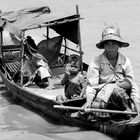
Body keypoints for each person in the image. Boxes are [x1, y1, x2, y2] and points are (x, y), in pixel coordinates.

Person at [84, 26, 140, 113]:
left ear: (119, 45)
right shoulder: (96, 62)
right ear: (103, 46)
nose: (111, 47)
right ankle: (125, 109)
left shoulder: (126, 61)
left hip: (124, 95)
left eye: (114, 43)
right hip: (103, 97)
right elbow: (92, 86)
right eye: (107, 44)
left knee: (124, 89)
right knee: (115, 90)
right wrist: (89, 101)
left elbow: (132, 84)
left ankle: (131, 107)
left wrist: (136, 102)